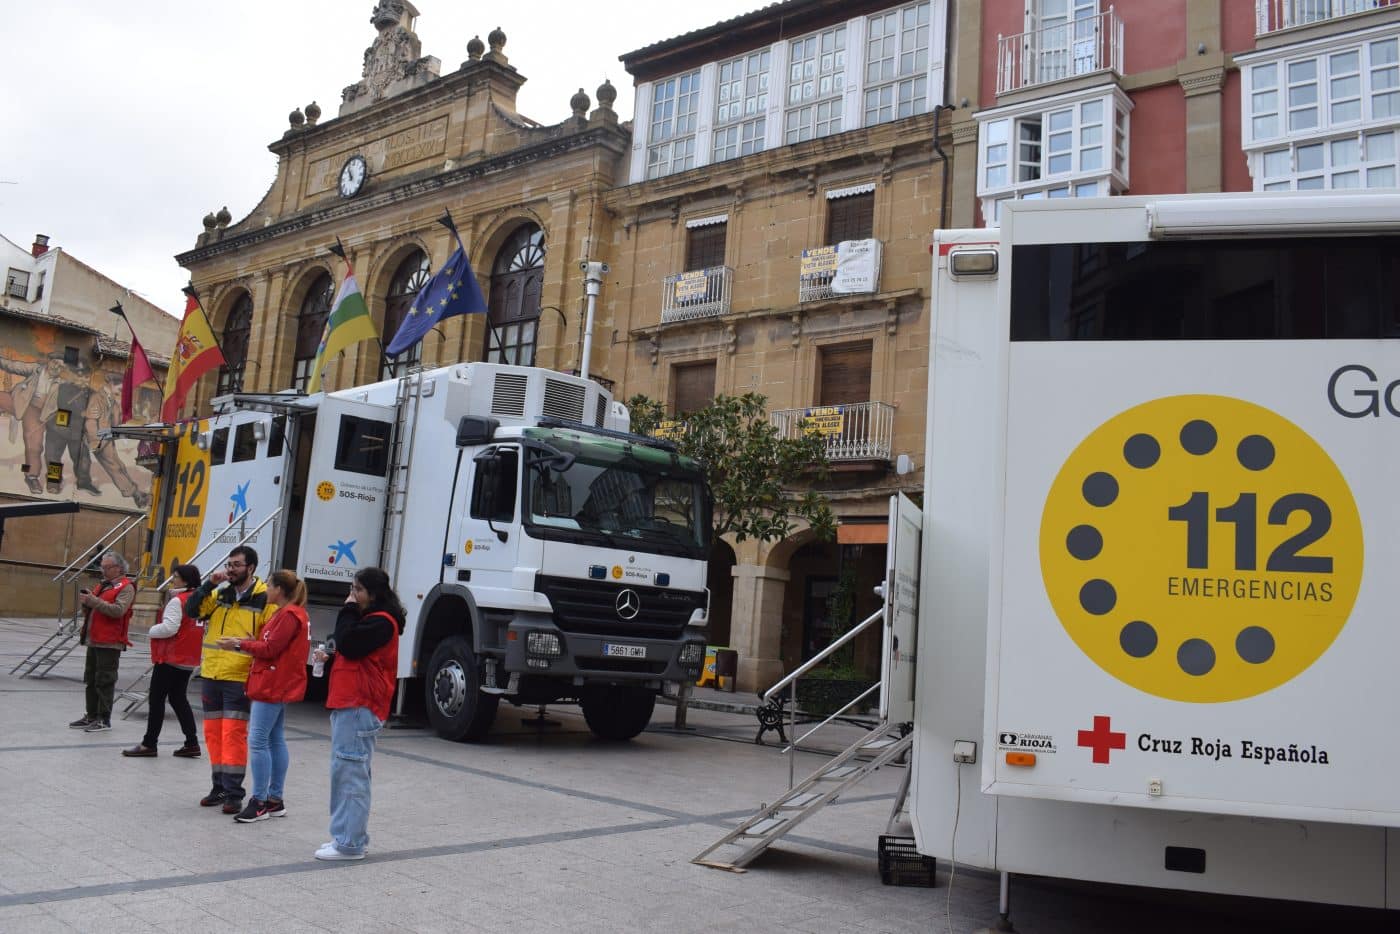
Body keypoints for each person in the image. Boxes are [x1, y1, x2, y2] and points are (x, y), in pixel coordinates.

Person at [313, 566, 403, 861]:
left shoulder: (381, 622)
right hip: (352, 703)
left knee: (350, 774)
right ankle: (344, 836)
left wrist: (348, 610)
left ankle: (349, 843)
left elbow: (349, 643)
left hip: (360, 705)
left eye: (358, 590)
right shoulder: (373, 620)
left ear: (373, 594)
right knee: (345, 772)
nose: (352, 595)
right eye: (352, 589)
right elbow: (353, 650)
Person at [187, 544, 275, 815]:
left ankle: (234, 793)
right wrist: (207, 585)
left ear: (251, 568)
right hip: (212, 672)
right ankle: (219, 787)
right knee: (213, 734)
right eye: (229, 564)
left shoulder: (264, 598)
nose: (231, 569)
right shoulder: (221, 592)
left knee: (233, 734)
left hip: (239, 676)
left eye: (237, 565)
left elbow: (269, 640)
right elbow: (193, 611)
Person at [217, 569, 309, 823]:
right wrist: (251, 642)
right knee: (275, 738)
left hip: (272, 684)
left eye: (269, 585)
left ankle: (259, 801)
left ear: (279, 589)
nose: (266, 589)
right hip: (276, 682)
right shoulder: (287, 613)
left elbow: (270, 649)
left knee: (258, 741)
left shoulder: (289, 614)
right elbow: (272, 644)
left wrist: (239, 644)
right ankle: (274, 799)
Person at [121, 564, 203, 758]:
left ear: (185, 580)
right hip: (188, 658)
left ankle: (149, 743)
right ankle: (192, 742)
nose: (173, 579)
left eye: (176, 576)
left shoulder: (178, 601)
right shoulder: (199, 600)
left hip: (171, 657)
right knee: (178, 698)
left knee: (157, 699)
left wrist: (151, 631)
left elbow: (169, 628)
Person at [69, 550, 136, 732]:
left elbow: (118, 611)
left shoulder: (126, 587)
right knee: (91, 679)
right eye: (102, 567)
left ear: (119, 568)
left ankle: (103, 719)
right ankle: (91, 715)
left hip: (110, 641)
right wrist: (86, 602)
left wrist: (93, 601)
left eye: (107, 567)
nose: (103, 570)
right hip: (94, 639)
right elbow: (94, 609)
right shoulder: (103, 585)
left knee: (105, 681)